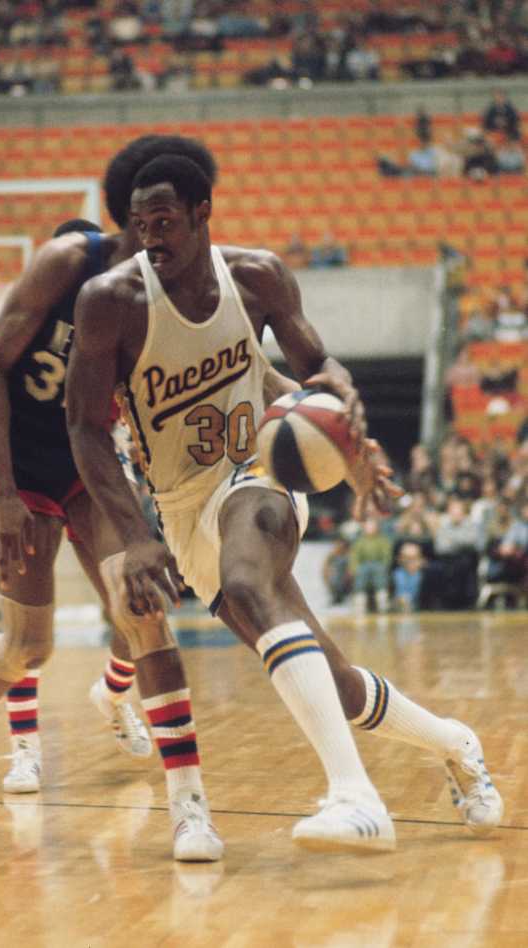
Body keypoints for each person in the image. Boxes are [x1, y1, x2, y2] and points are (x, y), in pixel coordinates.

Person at [67, 153, 503, 854]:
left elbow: (317, 366)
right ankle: (455, 744)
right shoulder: (110, 303)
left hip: (258, 469)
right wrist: (135, 534)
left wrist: (346, 410)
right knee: (335, 686)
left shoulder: (259, 276)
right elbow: (84, 427)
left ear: (203, 213)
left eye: (166, 221)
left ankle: (357, 799)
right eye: (140, 224)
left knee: (247, 575)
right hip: (181, 509)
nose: (151, 237)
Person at [0, 135, 225, 863]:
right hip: (22, 466)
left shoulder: (161, 291)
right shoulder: (68, 264)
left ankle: (189, 807)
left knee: (143, 614)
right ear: (132, 223)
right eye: (152, 225)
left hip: (89, 463)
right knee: (28, 645)